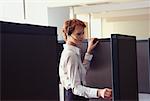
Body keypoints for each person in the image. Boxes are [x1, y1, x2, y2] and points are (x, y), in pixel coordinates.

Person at [59, 19, 112, 101]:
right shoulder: (70, 54)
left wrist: (89, 52)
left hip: (79, 96)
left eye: (83, 33)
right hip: (75, 97)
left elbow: (82, 71)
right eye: (78, 34)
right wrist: (99, 92)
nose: (82, 37)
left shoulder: (74, 52)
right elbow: (76, 88)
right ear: (68, 34)